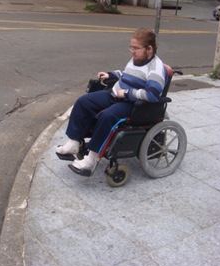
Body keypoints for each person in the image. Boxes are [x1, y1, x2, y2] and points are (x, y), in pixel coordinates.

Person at [56, 27, 168, 176]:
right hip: (114, 94)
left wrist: (128, 93)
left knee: (107, 116)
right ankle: (74, 143)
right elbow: (126, 74)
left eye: (136, 48)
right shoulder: (137, 58)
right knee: (83, 102)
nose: (132, 51)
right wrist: (110, 74)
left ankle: (91, 159)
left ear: (149, 49)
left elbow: (153, 95)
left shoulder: (156, 68)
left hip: (132, 104)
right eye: (131, 47)